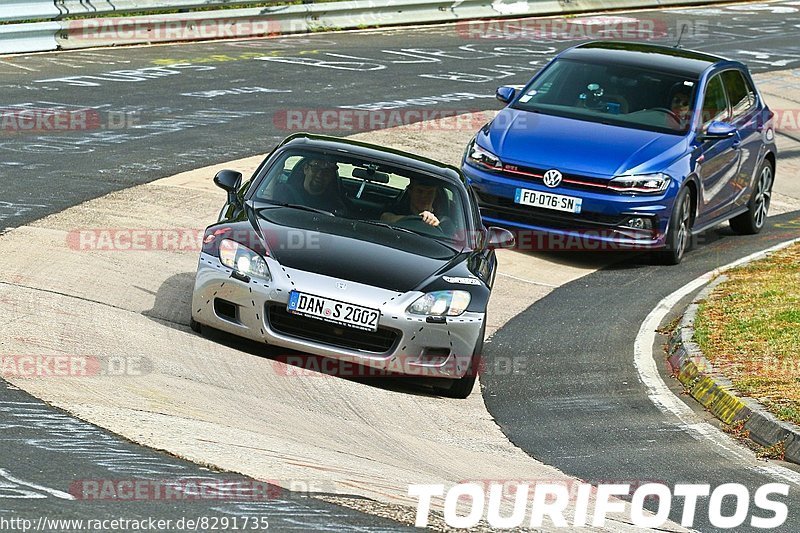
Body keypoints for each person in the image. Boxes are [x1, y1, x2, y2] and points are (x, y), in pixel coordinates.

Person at [274, 157, 347, 215]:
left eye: (327, 171)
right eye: (315, 168)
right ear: (306, 169)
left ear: (331, 176)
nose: (320, 175)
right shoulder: (283, 193)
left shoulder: (336, 206)